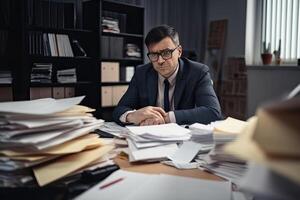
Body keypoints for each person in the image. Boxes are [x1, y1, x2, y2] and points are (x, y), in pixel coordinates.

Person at [113, 25, 222, 126]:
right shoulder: (141, 73)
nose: (160, 61)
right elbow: (119, 110)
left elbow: (213, 112)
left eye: (166, 53)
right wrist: (133, 115)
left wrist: (167, 118)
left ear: (179, 51)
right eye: (154, 55)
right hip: (148, 138)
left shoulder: (198, 72)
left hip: (183, 138)